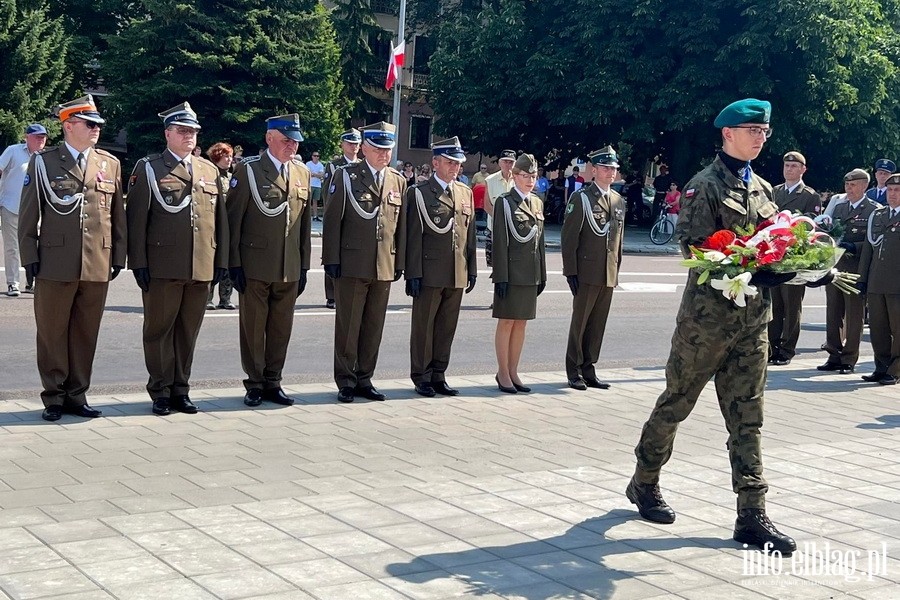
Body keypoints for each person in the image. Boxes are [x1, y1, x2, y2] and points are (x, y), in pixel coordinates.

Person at [628, 99, 797, 554]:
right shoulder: (703, 185)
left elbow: (775, 242)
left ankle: (751, 514)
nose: (760, 137)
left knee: (748, 416)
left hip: (752, 321)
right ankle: (644, 480)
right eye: (751, 130)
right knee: (676, 403)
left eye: (764, 130)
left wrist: (792, 265)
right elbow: (695, 248)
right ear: (727, 134)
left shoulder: (763, 187)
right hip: (707, 322)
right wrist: (748, 266)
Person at [18, 95, 126, 422]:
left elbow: (117, 215)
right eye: (89, 124)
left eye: (98, 125)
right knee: (52, 332)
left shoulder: (109, 163)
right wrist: (29, 257)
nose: (96, 130)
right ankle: (53, 396)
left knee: (85, 333)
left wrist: (118, 254)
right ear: (68, 126)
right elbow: (28, 215)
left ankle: (77, 395)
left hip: (96, 262)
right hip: (54, 261)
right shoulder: (44, 161)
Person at [126, 102, 228, 416]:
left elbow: (219, 219)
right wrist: (139, 263)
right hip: (162, 265)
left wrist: (220, 262)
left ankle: (180, 389)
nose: (189, 136)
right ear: (167, 133)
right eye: (182, 130)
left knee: (188, 332)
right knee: (159, 331)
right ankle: (160, 390)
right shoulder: (149, 167)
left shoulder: (209, 170)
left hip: (200, 266)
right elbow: (137, 221)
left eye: (193, 131)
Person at [227, 113, 312, 407]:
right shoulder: (248, 171)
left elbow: (304, 225)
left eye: (295, 142)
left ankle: (273, 381)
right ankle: (254, 383)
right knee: (253, 327)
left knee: (280, 328)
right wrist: (233, 263)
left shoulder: (301, 173)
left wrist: (304, 266)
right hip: (255, 264)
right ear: (269, 139)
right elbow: (233, 221)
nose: (292, 146)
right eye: (286, 140)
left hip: (288, 265)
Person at [322, 121, 407, 403]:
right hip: (351, 262)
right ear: (365, 148)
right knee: (348, 326)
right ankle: (345, 380)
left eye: (388, 149)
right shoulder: (347, 176)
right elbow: (333, 220)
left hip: (383, 264)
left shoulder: (397, 180)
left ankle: (364, 378)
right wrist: (331, 259)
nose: (384, 154)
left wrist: (399, 261)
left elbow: (400, 227)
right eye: (379, 148)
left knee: (373, 326)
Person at [406, 137, 477, 397]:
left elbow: (468, 235)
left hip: (456, 271)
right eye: (449, 162)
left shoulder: (464, 192)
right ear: (435, 163)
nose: (455, 168)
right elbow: (413, 236)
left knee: (447, 326)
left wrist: (472, 268)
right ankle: (421, 376)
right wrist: (412, 272)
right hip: (429, 271)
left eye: (458, 163)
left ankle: (439, 373)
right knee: (424, 326)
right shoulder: (419, 193)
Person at [562, 147, 625, 391]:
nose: (610, 173)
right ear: (594, 170)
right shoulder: (582, 198)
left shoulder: (618, 201)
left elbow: (618, 241)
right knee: (580, 322)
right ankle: (573, 370)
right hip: (586, 270)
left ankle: (589, 368)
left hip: (607, 272)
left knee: (597, 323)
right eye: (606, 168)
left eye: (613, 169)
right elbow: (569, 239)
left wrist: (616, 271)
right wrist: (571, 272)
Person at [491, 153, 546, 394]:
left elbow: (540, 242)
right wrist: (501, 276)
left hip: (529, 273)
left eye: (533, 176)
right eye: (526, 175)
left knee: (521, 323)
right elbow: (500, 241)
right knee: (507, 322)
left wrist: (542, 274)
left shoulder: (537, 203)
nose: (530, 180)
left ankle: (514, 371)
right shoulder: (505, 201)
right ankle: (502, 372)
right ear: (514, 176)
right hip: (511, 272)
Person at [818, 168, 878, 373]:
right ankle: (833, 354)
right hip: (836, 266)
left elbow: (874, 242)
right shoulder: (839, 208)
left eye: (853, 185)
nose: (849, 189)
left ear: (864, 186)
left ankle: (849, 357)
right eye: (847, 185)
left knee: (854, 314)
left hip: (856, 267)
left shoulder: (873, 210)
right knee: (833, 311)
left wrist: (856, 247)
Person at [768, 151, 821, 366]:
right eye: (787, 166)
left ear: (803, 170)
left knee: (791, 306)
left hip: (794, 258)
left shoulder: (809, 196)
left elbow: (812, 229)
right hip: (773, 256)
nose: (789, 169)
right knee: (774, 305)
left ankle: (787, 349)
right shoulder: (774, 192)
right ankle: (772, 347)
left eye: (793, 166)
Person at [858, 173, 900, 385]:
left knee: (898, 329)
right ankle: (881, 367)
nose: (893, 194)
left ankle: (895, 369)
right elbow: (868, 249)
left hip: (897, 284)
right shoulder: (879, 215)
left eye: (898, 190)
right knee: (878, 328)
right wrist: (863, 278)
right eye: (891, 190)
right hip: (876, 281)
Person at [0, 123, 47, 296]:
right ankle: (13, 283)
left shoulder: (46, 157)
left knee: (35, 246)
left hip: (37, 211)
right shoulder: (13, 151)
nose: (41, 139)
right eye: (37, 136)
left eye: (43, 137)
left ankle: (31, 282)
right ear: (27, 137)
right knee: (12, 247)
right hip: (11, 206)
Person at [321, 128, 361, 310]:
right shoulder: (333, 165)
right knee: (332, 253)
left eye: (357, 143)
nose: (354, 146)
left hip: (355, 219)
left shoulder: (362, 165)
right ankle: (331, 296)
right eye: (350, 143)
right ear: (342, 144)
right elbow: (327, 193)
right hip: (339, 215)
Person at [205, 142, 236, 310]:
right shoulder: (209, 175)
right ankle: (207, 298)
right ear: (217, 156)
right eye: (226, 156)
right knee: (211, 263)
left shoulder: (232, 178)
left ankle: (225, 298)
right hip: (214, 226)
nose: (229, 159)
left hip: (229, 226)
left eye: (230, 156)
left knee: (228, 263)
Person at [484, 150, 516, 267]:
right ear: (499, 163)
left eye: (511, 162)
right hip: (494, 227)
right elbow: (487, 205)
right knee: (495, 264)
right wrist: (500, 219)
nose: (508, 165)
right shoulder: (490, 180)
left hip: (514, 228)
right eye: (505, 162)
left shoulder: (519, 180)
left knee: (513, 263)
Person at [305, 151, 325, 222]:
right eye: (315, 156)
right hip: (310, 184)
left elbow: (321, 175)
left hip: (317, 185)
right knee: (307, 201)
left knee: (315, 202)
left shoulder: (320, 165)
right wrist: (317, 175)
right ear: (312, 156)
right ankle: (306, 216)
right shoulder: (308, 164)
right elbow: (308, 174)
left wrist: (314, 174)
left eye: (318, 156)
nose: (316, 157)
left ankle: (315, 216)